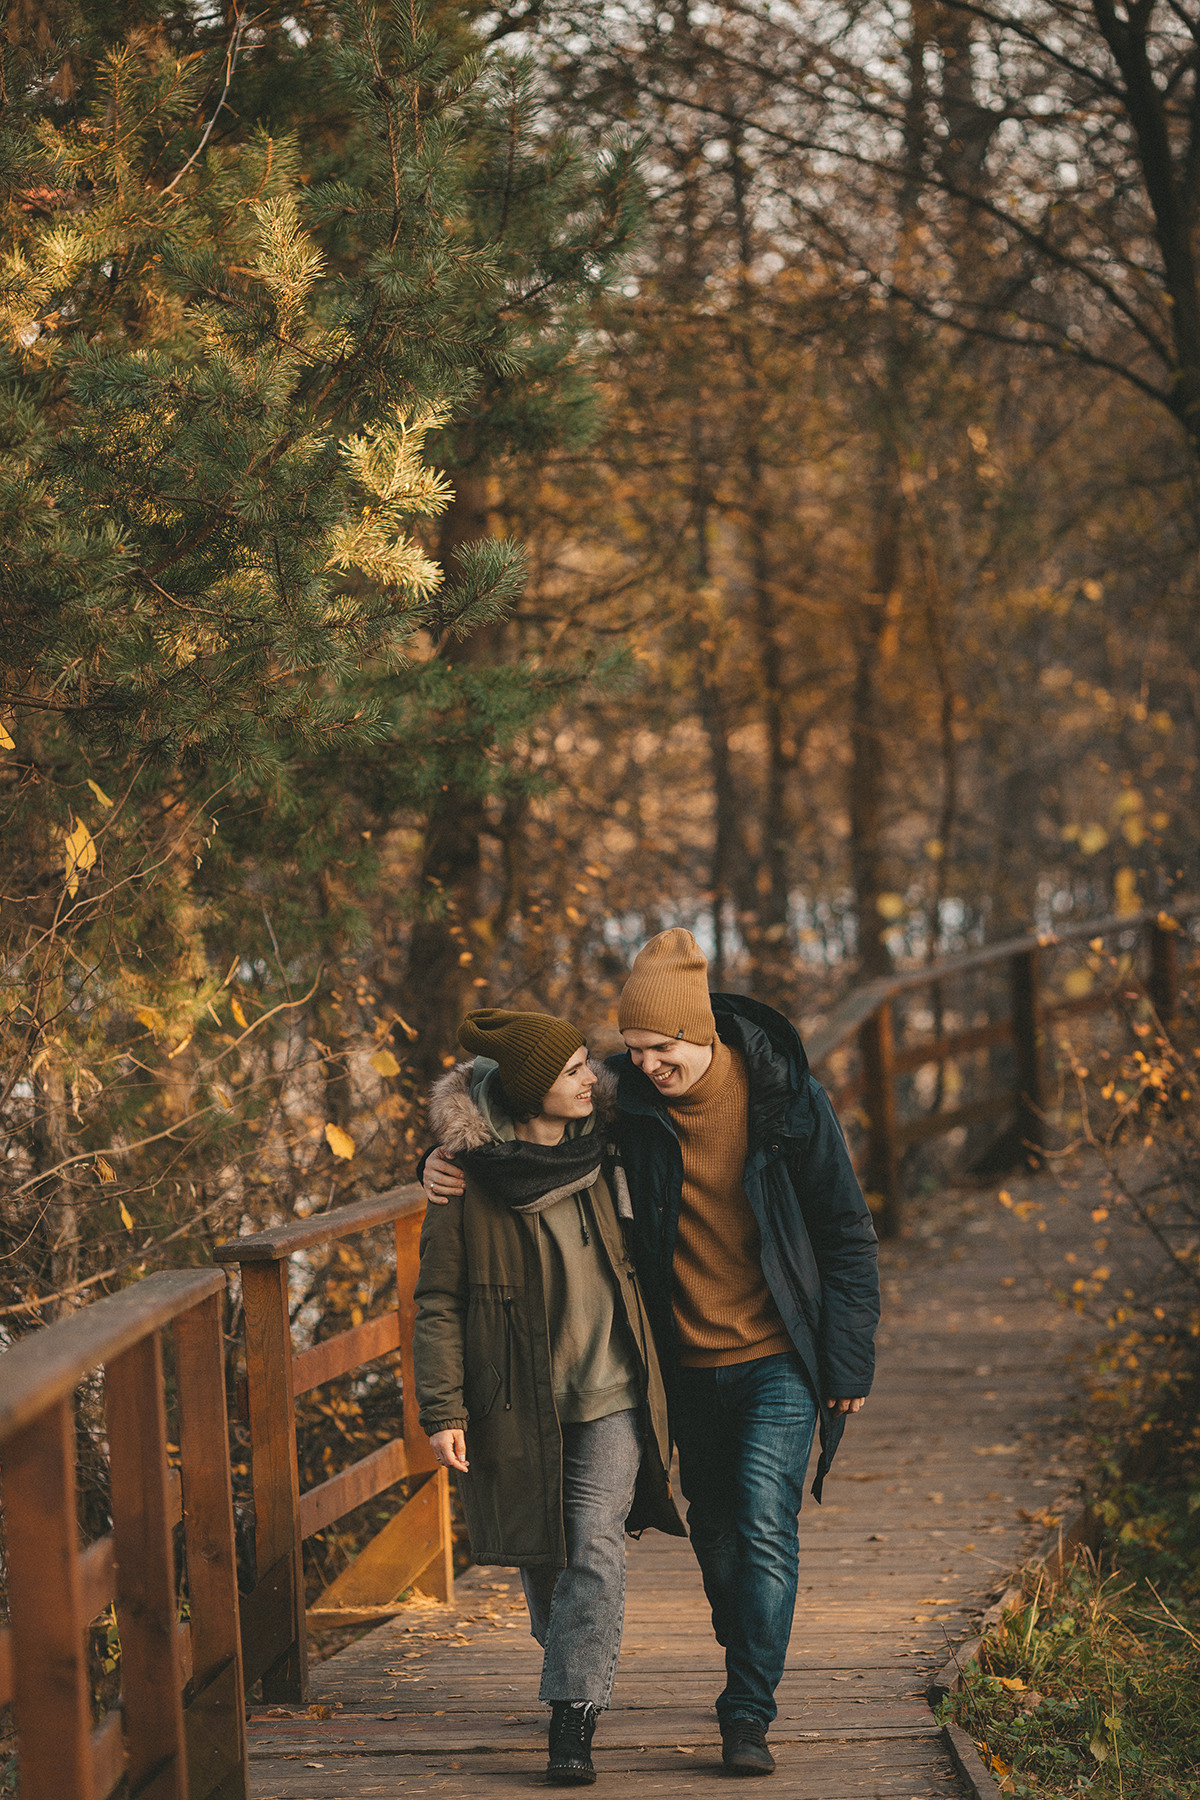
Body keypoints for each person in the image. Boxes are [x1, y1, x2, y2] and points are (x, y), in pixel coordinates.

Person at [423, 936, 880, 1777]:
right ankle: (746, 1632)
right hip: (679, 1363)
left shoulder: (785, 1099)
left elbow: (845, 1229)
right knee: (717, 1530)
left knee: (763, 1522)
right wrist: (437, 1158)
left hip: (779, 1351)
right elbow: (514, 1100)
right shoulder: (625, 1101)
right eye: (632, 1050)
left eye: (661, 1048)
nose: (644, 1066)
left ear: (699, 1032)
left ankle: (747, 1712)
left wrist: (848, 1359)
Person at [412, 1007, 684, 1788]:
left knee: (594, 1546)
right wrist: (444, 1410)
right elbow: (438, 1302)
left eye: (585, 1064)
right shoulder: (468, 1181)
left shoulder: (612, 1144)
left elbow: (694, 1089)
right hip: (516, 1401)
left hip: (615, 1390)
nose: (592, 1078)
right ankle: (572, 1656)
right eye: (571, 1072)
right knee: (544, 1556)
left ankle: (573, 1719)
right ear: (530, 1093)